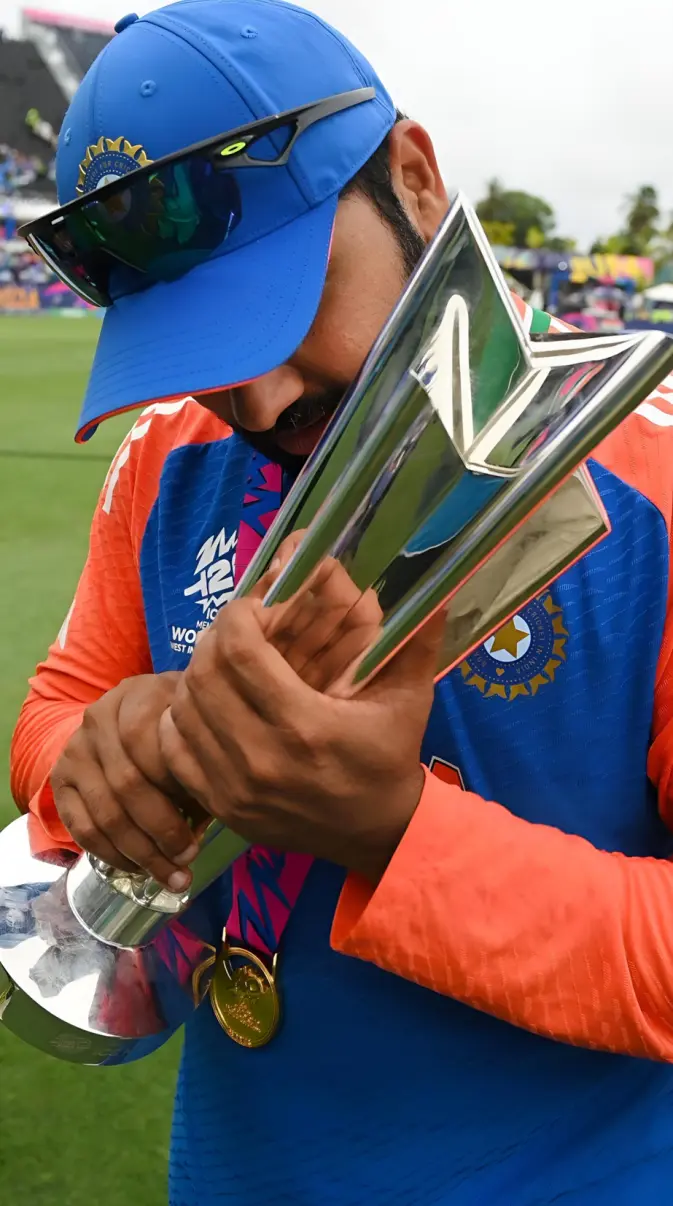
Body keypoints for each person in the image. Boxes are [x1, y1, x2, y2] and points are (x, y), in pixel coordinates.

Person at [10, 1, 673, 1202]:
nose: (255, 401)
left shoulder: (653, 488)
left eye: (286, 300)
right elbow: (63, 703)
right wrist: (108, 751)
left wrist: (393, 834)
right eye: (197, 345)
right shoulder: (166, 459)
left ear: (414, 180)